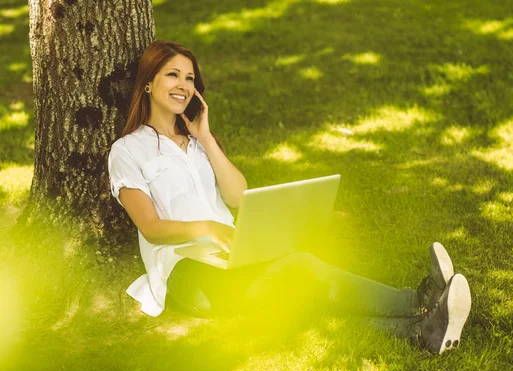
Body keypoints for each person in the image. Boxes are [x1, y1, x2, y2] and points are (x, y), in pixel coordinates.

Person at [108, 40, 472, 354]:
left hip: (232, 255)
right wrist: (209, 228)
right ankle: (419, 301)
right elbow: (152, 228)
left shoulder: (198, 142)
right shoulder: (128, 150)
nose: (183, 85)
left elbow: (239, 197)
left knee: (298, 287)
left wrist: (204, 137)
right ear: (148, 83)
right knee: (300, 270)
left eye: (190, 78)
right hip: (186, 276)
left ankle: (422, 331)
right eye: (173, 75)